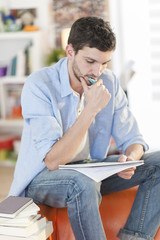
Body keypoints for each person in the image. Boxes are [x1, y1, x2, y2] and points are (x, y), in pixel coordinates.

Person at [9, 16, 160, 240]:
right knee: (82, 183)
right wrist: (91, 110)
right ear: (70, 51)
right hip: (44, 176)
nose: (97, 71)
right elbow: (52, 161)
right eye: (90, 61)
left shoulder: (109, 81)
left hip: (89, 168)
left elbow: (133, 139)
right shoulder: (39, 85)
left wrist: (131, 157)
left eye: (104, 63)